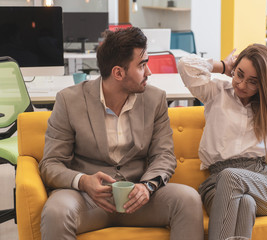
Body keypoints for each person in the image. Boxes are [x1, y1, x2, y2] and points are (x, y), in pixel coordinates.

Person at [39, 27, 204, 240]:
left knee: (188, 199)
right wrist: (83, 181)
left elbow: (164, 156)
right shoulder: (69, 101)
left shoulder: (155, 100)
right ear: (118, 72)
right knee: (56, 211)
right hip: (88, 199)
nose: (149, 72)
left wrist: (147, 186)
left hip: (140, 197)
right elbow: (50, 163)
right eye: (142, 65)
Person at [178, 44, 267, 240]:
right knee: (246, 203)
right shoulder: (217, 92)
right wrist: (222, 66)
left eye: (253, 82)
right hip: (217, 184)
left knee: (232, 178)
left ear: (263, 83)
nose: (242, 85)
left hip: (263, 183)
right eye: (239, 74)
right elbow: (185, 66)